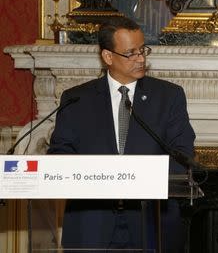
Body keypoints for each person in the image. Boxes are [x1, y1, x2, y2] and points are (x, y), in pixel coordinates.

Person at [48, 17, 195, 252]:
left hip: (152, 223)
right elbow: (59, 154)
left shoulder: (169, 96)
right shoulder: (76, 99)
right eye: (130, 53)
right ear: (108, 57)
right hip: (91, 225)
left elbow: (183, 156)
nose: (141, 59)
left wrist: (138, 179)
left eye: (142, 50)